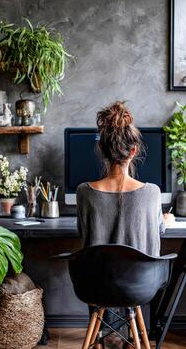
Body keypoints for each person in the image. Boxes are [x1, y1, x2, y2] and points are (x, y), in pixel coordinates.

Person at [76, 101, 174, 348]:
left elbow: (83, 232)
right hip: (140, 288)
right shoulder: (152, 192)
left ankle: (103, 339)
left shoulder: (84, 192)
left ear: (101, 149)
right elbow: (157, 232)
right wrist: (163, 220)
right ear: (133, 151)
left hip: (95, 285)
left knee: (102, 276)